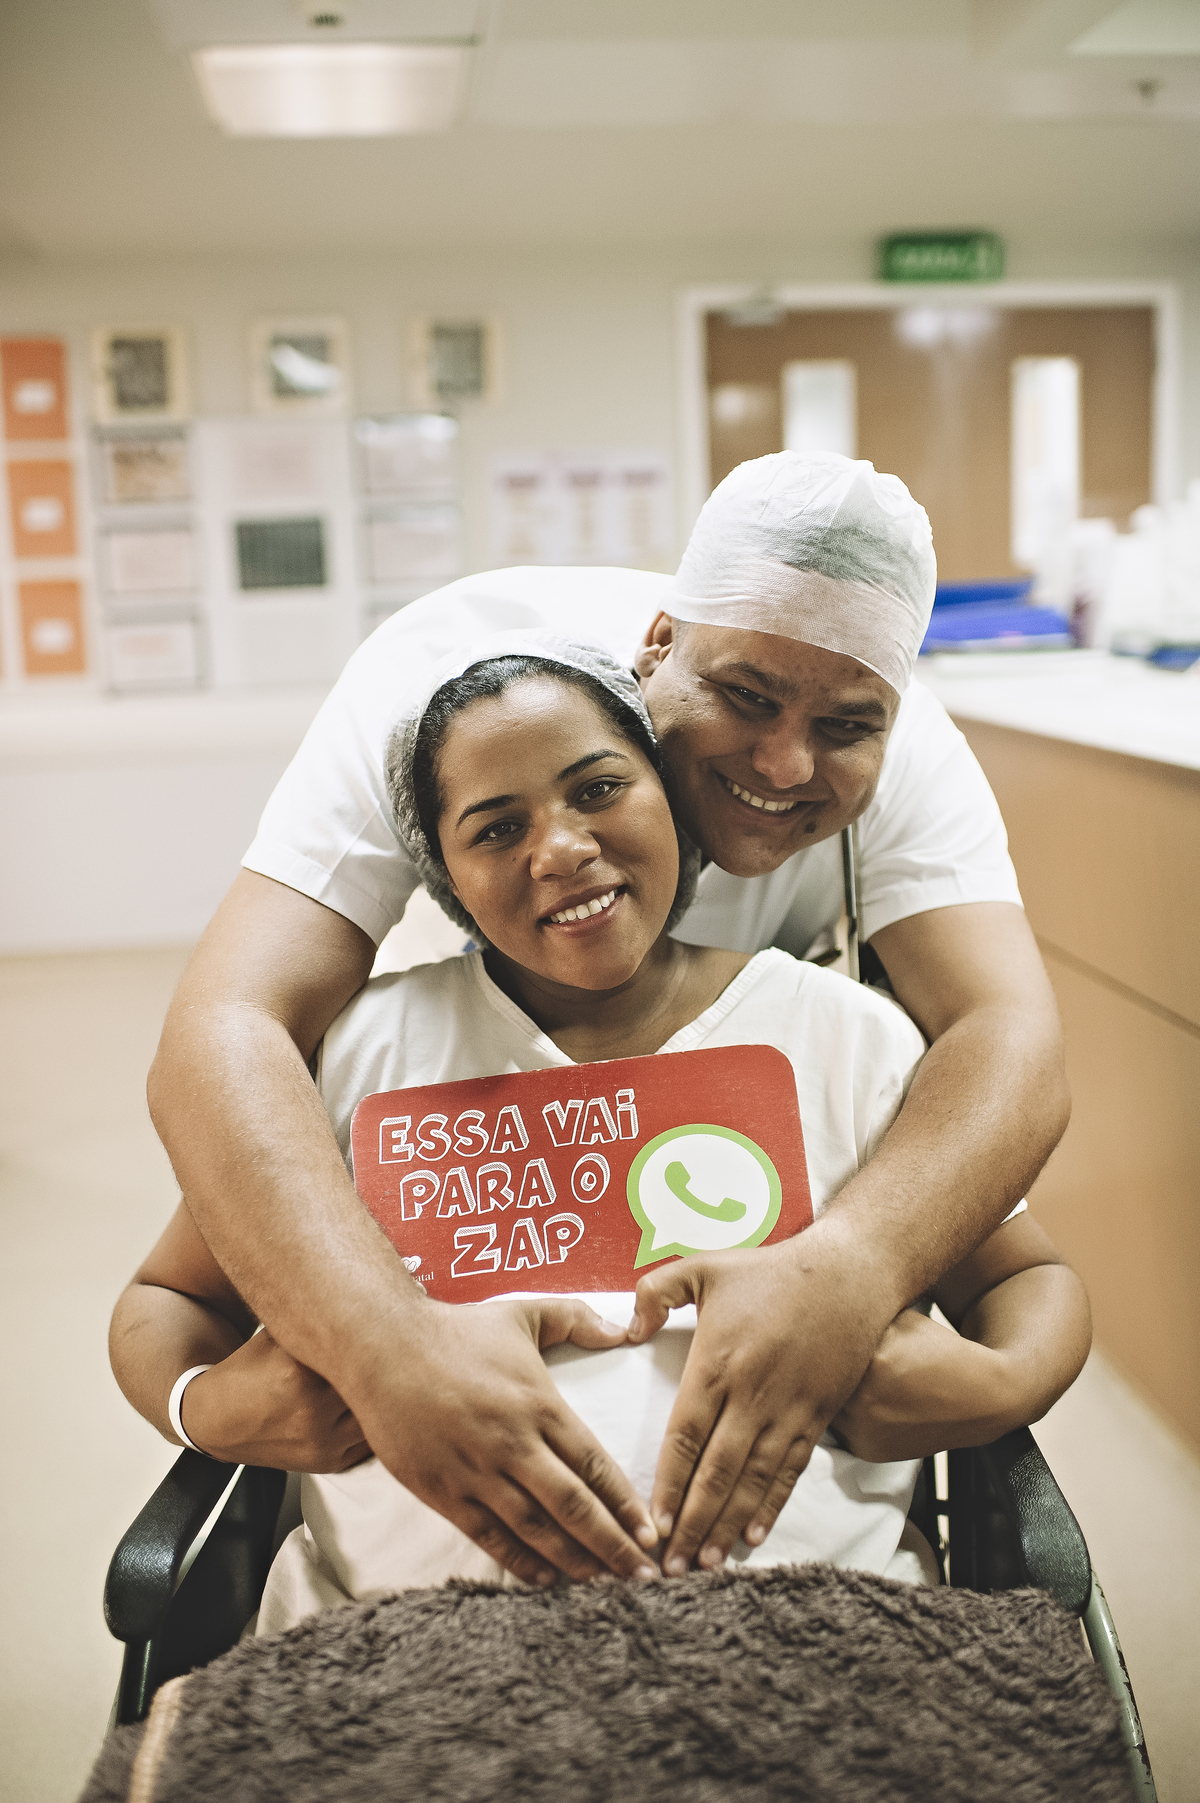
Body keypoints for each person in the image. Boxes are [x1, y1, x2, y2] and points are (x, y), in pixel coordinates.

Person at [144, 453, 1070, 1587]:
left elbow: (1008, 1040)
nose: (785, 761)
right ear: (660, 645)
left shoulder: (849, 1010)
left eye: (842, 725)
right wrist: (379, 1347)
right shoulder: (438, 713)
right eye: (743, 700)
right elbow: (223, 1030)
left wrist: (859, 1269)